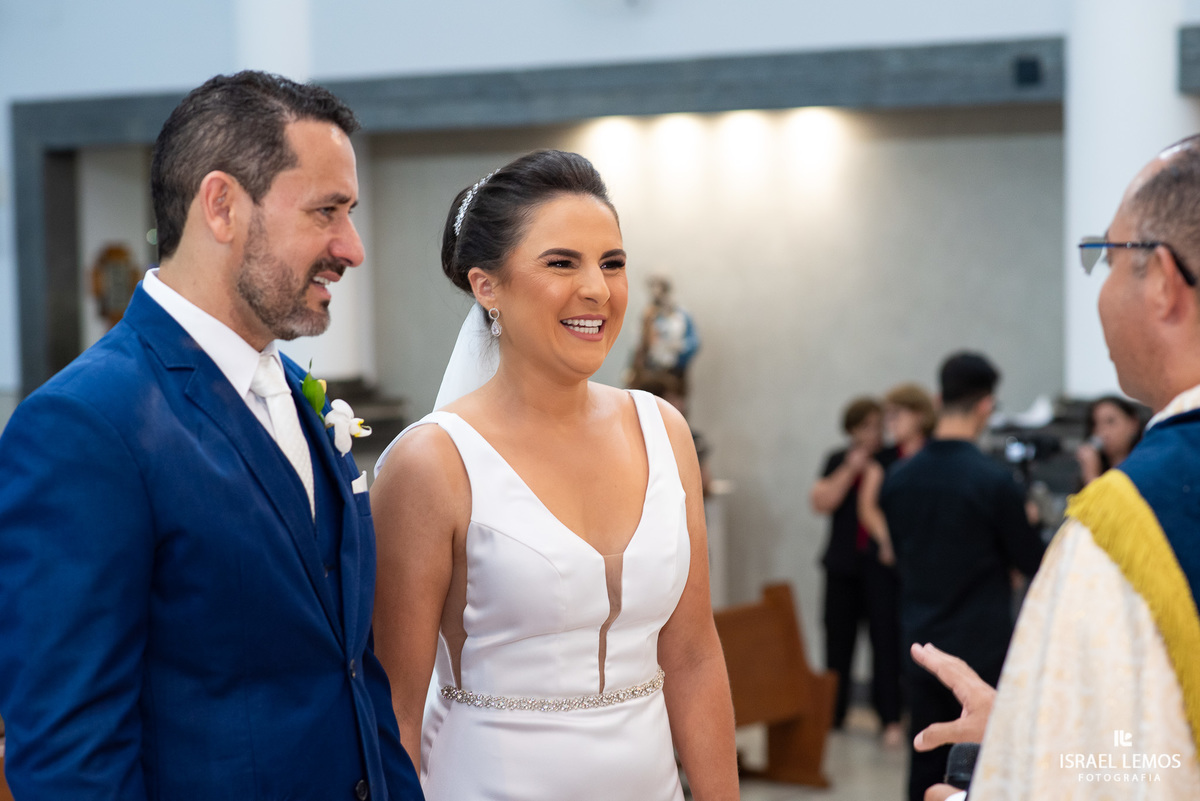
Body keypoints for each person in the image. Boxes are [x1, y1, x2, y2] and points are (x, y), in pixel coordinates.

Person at [0, 72, 422, 800]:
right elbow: (71, 754)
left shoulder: (296, 393)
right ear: (221, 206)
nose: (350, 247)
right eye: (327, 211)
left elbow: (353, 671)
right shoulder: (83, 425)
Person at [369, 150, 739, 800]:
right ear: (487, 286)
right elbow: (395, 706)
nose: (597, 287)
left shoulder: (663, 430)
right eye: (562, 262)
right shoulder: (431, 462)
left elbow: (693, 655)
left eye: (612, 262)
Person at [915, 137, 1200, 800]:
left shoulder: (1129, 523)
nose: (1100, 289)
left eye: (1107, 256)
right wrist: (1031, 731)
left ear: (1161, 281)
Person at [879, 353, 1045, 801]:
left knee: (924, 754)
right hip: (980, 646)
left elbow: (903, 551)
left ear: (937, 400)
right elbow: (1032, 563)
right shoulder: (994, 482)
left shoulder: (898, 477)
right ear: (986, 406)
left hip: (919, 639)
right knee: (975, 769)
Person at [810, 396, 903, 743]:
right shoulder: (838, 459)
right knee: (838, 643)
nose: (874, 434)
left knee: (885, 642)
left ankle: (889, 718)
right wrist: (851, 468)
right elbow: (820, 502)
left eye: (878, 426)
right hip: (842, 566)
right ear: (851, 430)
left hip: (880, 567)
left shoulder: (893, 460)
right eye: (865, 427)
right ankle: (833, 716)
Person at [1075, 394, 1145, 485]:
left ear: (1133, 423)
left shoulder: (1144, 468)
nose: (1102, 431)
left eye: (1110, 421)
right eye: (1095, 424)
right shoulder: (1095, 468)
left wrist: (1091, 476)